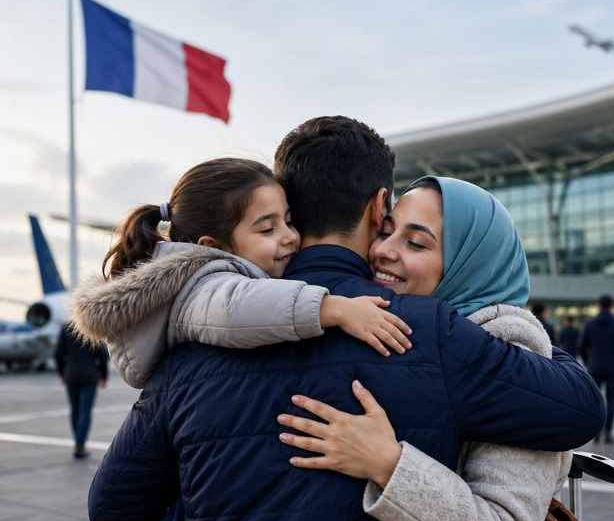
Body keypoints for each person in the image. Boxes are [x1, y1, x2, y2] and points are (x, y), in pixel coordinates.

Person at [87, 116, 604, 521]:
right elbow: (577, 409)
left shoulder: (194, 344)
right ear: (380, 208)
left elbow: (112, 510)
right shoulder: (427, 330)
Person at [277, 176, 572, 521]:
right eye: (386, 231)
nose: (383, 250)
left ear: (470, 261)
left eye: (415, 242)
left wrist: (388, 463)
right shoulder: (387, 321)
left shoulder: (507, 346)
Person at [71, 157, 413, 391]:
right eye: (267, 229)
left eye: (289, 221)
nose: (290, 236)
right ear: (215, 244)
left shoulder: (193, 278)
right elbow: (234, 307)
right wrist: (335, 308)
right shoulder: (201, 284)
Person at [578, 294, 614, 443]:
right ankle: (608, 433)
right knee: (611, 400)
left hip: (594, 366)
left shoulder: (590, 323)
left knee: (596, 400)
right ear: (611, 306)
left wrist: (588, 362)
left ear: (599, 306)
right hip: (613, 367)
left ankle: (596, 433)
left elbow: (582, 346)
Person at [54, 324, 109, 458]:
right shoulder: (91, 327)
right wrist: (104, 375)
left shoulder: (65, 328)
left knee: (75, 410)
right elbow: (102, 355)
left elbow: (58, 354)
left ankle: (78, 442)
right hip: (89, 375)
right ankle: (80, 444)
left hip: (71, 375)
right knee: (85, 411)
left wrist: (62, 373)